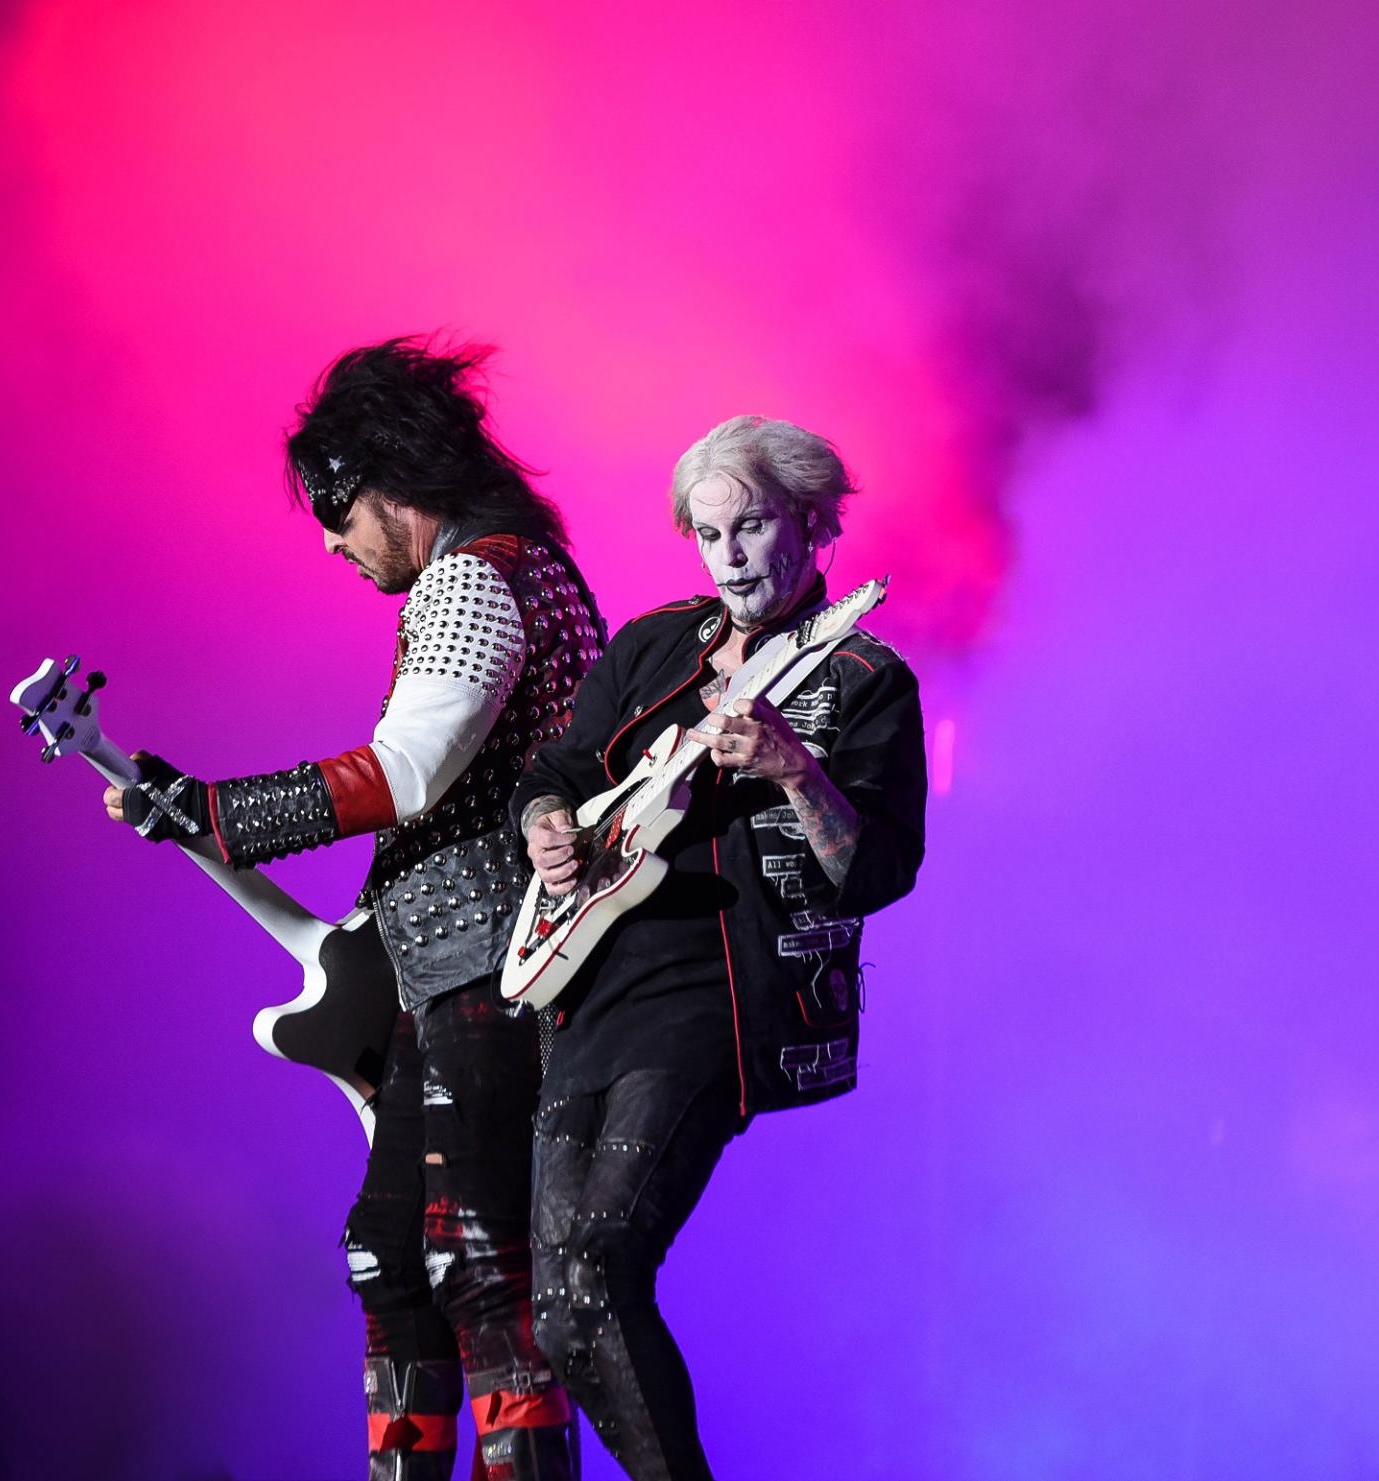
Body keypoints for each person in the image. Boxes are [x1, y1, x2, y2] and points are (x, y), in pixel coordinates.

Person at [105, 338, 602, 1481]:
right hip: (458, 969)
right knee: (390, 1253)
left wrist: (218, 809)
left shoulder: (477, 574)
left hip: (496, 967)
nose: (330, 538)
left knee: (477, 1259)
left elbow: (410, 770)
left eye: (336, 507)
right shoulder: (515, 567)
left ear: (395, 480)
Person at [510, 415, 927, 1479]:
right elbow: (554, 769)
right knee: (557, 1306)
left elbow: (879, 868)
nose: (730, 556)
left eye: (752, 526)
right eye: (708, 534)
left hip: (723, 993)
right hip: (597, 983)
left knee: (601, 1259)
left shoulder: (865, 674)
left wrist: (796, 768)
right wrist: (546, 825)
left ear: (812, 523)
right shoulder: (654, 645)